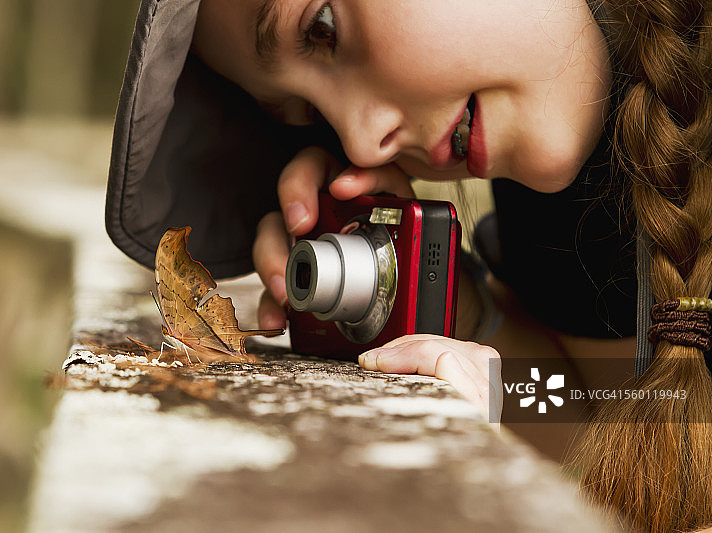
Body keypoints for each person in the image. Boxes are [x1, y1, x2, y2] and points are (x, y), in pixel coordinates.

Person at [104, 0, 712, 531]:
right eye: (307, 114)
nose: (363, 143)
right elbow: (604, 415)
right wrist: (462, 321)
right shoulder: (565, 209)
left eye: (322, 27)